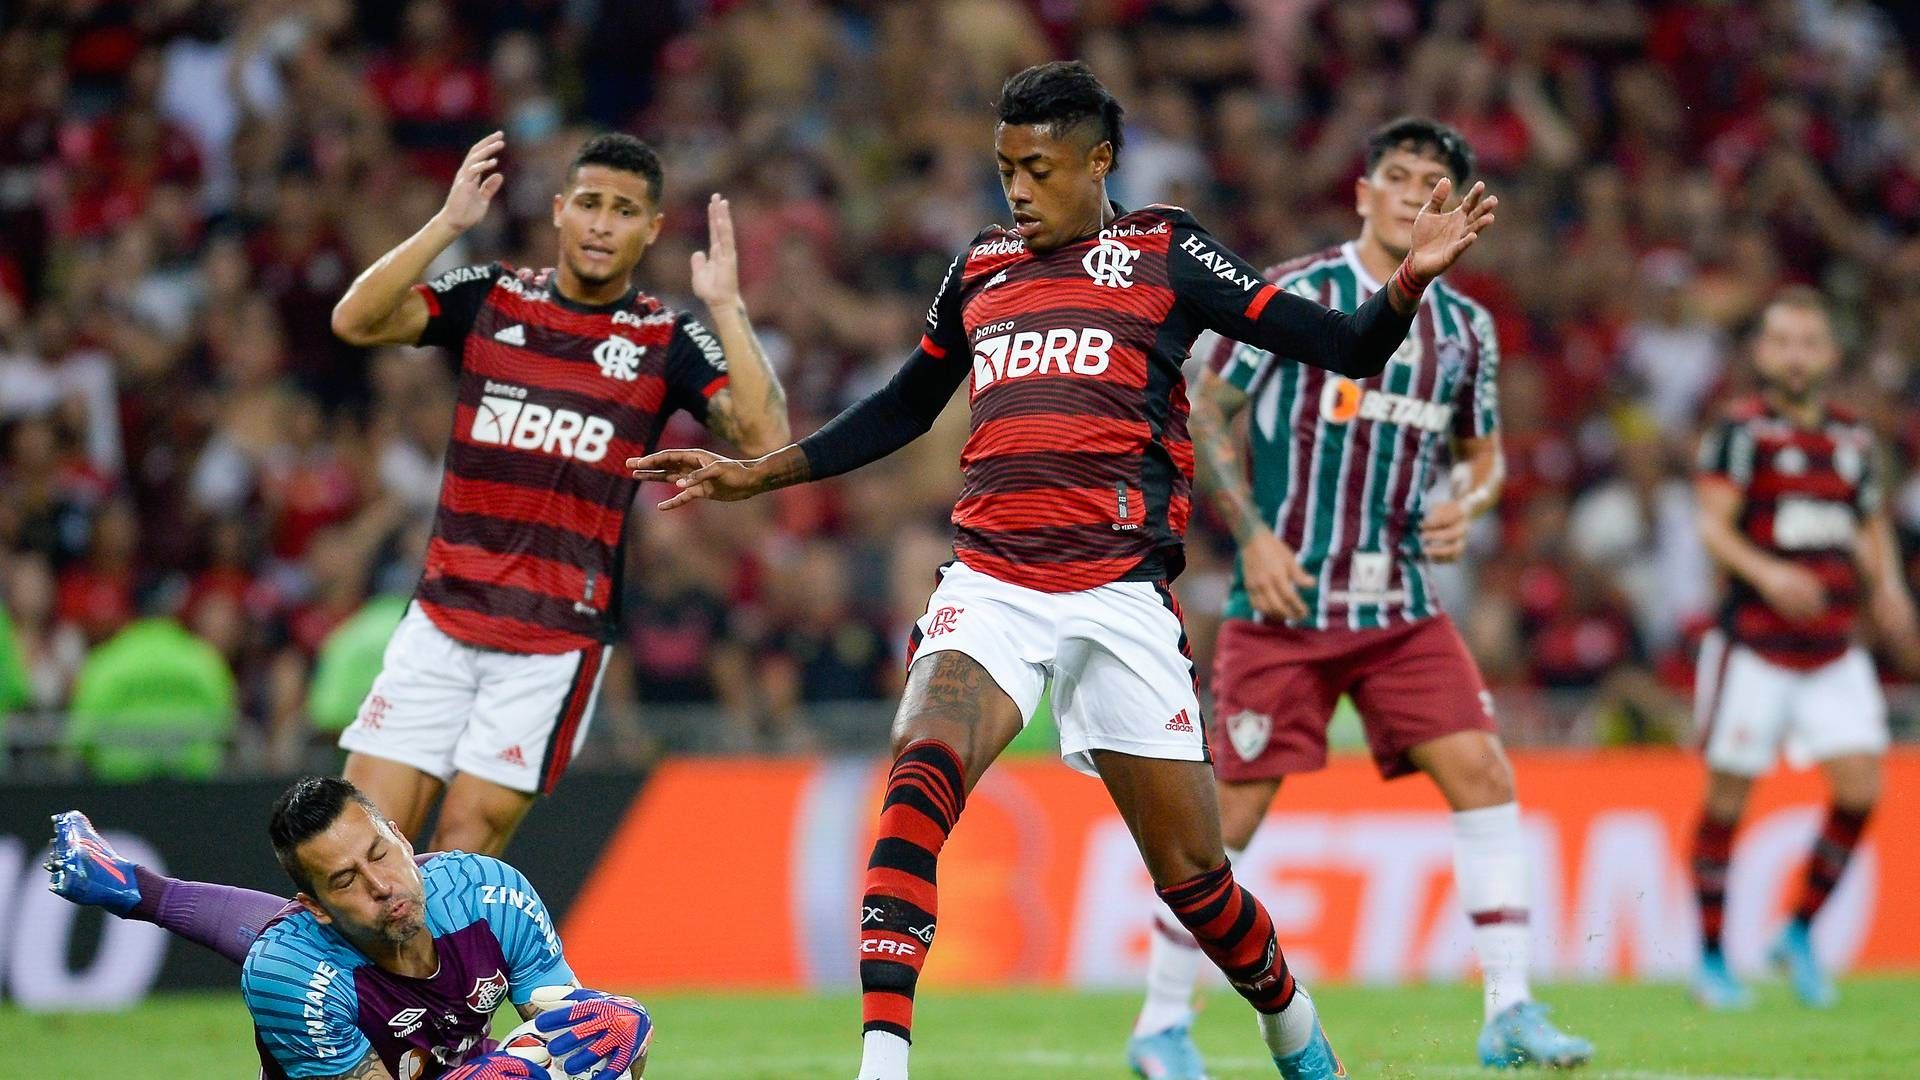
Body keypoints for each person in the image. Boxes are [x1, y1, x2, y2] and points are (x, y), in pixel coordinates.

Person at [629, 62, 1497, 1080]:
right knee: (920, 775)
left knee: (1195, 880)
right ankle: (881, 1064)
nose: (1017, 190)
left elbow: (1343, 345)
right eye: (1005, 169)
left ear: (1099, 161)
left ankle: (1292, 1029)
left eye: (1038, 169)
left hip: (1121, 592)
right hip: (991, 583)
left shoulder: (1166, 249)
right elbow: (908, 404)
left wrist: (1405, 285)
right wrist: (760, 474)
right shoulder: (983, 266)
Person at [1123, 117, 1593, 1076]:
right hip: (1285, 605)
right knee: (1227, 828)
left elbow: (1483, 451)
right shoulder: (1303, 293)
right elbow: (1209, 406)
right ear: (1364, 192)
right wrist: (1251, 539)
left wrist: (1473, 498)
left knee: (1484, 777)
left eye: (1435, 182)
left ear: (1454, 209)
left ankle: (1510, 1009)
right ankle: (1160, 1028)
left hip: (1400, 611)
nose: (1415, 192)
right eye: (1399, 175)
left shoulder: (1466, 331)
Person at [328, 130, 790, 856]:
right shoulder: (492, 296)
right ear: (559, 211)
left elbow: (765, 438)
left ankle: (449, 974)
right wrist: (449, 224)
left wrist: (727, 307)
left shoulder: (666, 339)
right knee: (358, 845)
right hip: (444, 618)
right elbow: (354, 319)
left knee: (460, 851)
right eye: (590, 203)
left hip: (553, 641)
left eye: (625, 210)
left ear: (653, 228)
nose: (604, 224)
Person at [43, 781, 651, 1079]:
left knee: (610, 1037)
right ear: (317, 907)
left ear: (404, 840)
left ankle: (126, 884)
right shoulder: (293, 979)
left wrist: (611, 1038)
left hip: (453, 1064)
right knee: (277, 944)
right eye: (346, 881)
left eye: (381, 855)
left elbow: (575, 1030)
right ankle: (130, 887)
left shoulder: (489, 895)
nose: (381, 884)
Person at [1688, 287, 1920, 1010]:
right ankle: (1712, 956)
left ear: (1829, 354)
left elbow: (1868, 521)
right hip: (1752, 645)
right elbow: (1712, 525)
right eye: (1782, 341)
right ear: (1762, 353)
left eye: (1808, 342)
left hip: (1833, 646)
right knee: (1729, 799)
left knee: (1861, 791)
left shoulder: (1852, 438)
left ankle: (1797, 931)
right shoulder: (1741, 432)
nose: (1795, 355)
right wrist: (1769, 573)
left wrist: (1889, 589)